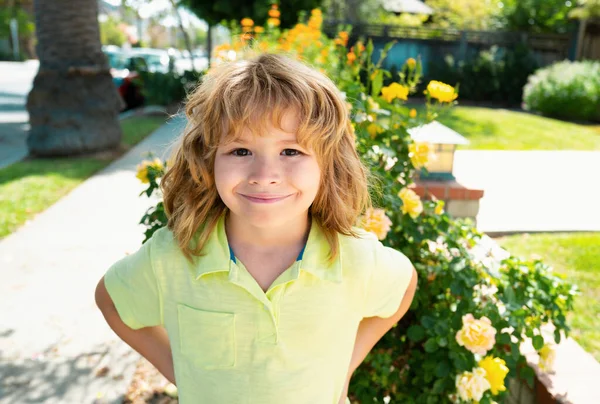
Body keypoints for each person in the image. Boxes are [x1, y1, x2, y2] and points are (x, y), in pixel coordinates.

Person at [95, 52, 418, 404]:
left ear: (328, 163)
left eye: (291, 151)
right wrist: (181, 371)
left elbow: (403, 287)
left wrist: (344, 369)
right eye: (240, 151)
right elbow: (111, 299)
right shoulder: (174, 257)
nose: (265, 176)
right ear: (208, 159)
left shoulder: (355, 258)